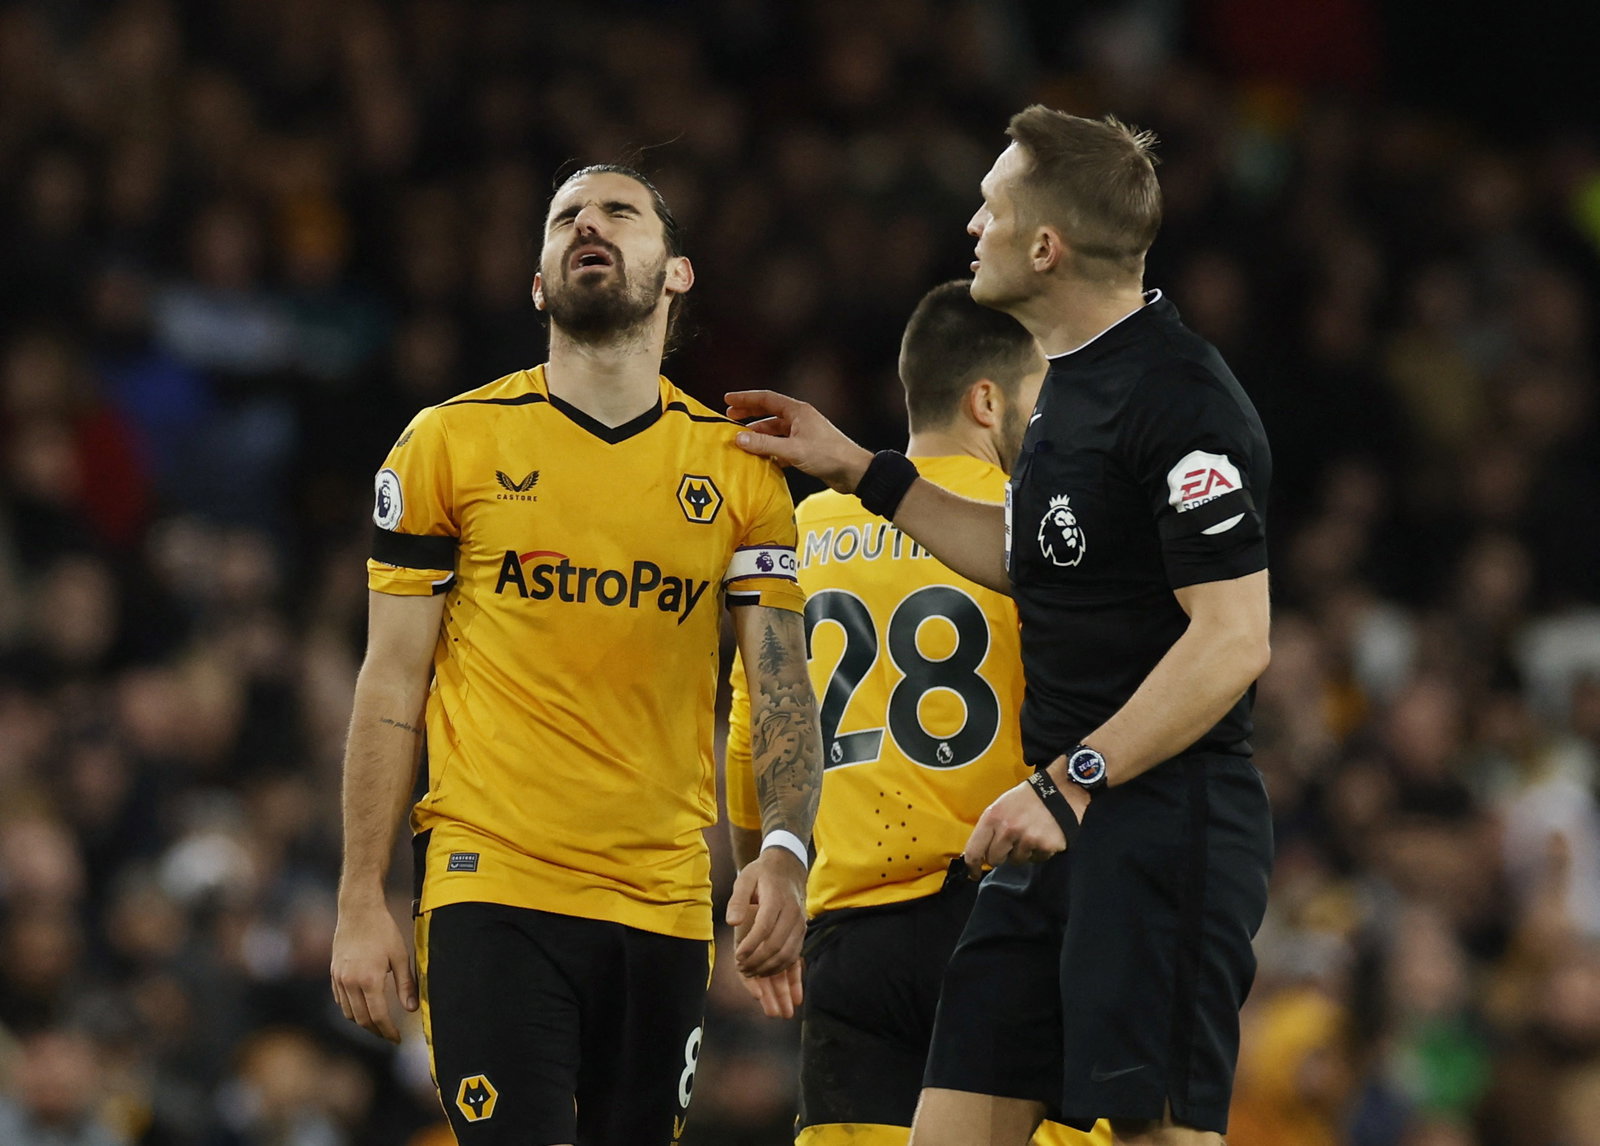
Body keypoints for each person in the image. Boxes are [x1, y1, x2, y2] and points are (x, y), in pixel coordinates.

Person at [725, 107, 1274, 1146]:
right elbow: (1029, 557)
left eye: (989, 206)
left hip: (1156, 834)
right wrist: (861, 471)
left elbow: (1235, 638)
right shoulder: (1065, 391)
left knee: (1153, 1133)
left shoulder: (1183, 399)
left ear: (1044, 246)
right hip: (1041, 849)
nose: (968, 223)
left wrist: (1076, 778)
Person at [329, 164, 823, 1146]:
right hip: (492, 880)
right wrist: (359, 895)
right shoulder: (446, 444)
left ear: (676, 273)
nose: (587, 223)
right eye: (564, 217)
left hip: (666, 899)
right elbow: (391, 680)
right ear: (539, 284)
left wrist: (783, 851)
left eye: (617, 212)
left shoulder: (740, 469)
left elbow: (777, 686)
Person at [724, 281, 1109, 1146]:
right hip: (1001, 920)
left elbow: (757, 733)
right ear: (987, 400)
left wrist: (767, 884)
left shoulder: (804, 529)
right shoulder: (1037, 533)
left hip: (850, 939)